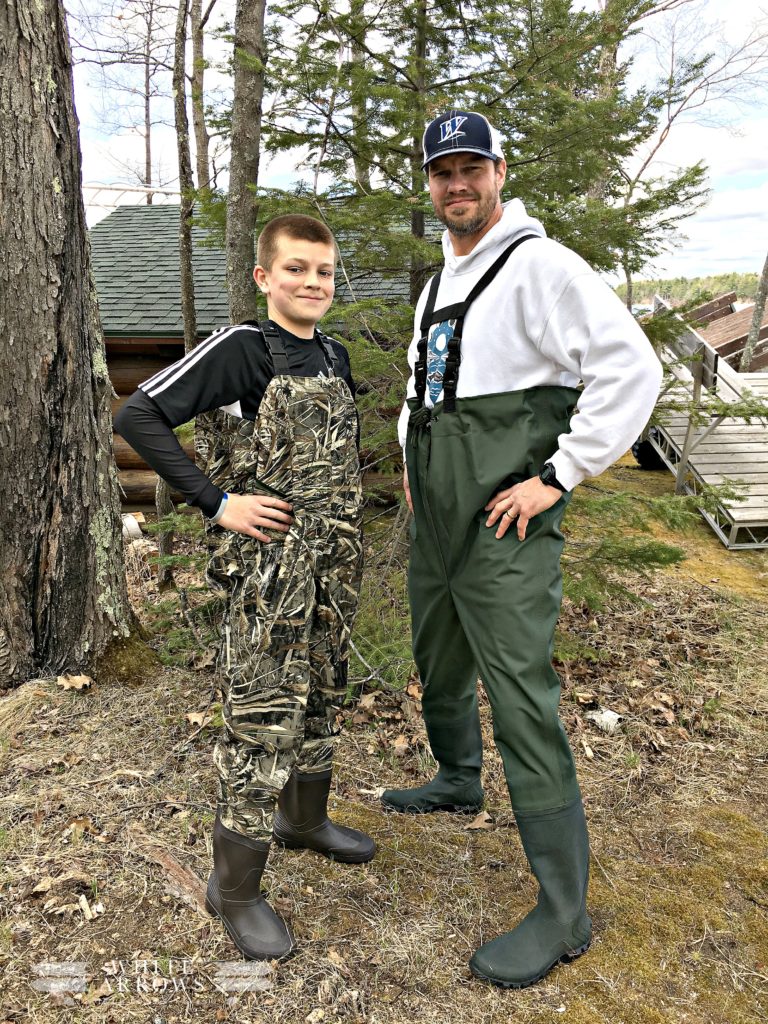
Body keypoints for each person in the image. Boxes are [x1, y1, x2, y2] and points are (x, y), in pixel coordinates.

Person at [381, 110, 662, 989]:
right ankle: (458, 777)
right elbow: (428, 387)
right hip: (439, 520)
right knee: (439, 654)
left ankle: (564, 912)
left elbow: (633, 368)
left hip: (505, 524)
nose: (456, 184)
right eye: (441, 172)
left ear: (499, 171)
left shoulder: (541, 265)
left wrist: (560, 475)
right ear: (429, 184)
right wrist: (410, 460)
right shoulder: (439, 280)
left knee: (521, 698)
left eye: (471, 167)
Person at [115, 214, 375, 962]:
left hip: (334, 562)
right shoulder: (242, 349)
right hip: (269, 573)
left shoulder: (335, 351)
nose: (312, 283)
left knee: (325, 691)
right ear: (265, 277)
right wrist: (217, 501)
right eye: (295, 269)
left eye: (323, 271)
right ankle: (232, 889)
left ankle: (304, 821)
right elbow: (141, 411)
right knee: (262, 717)